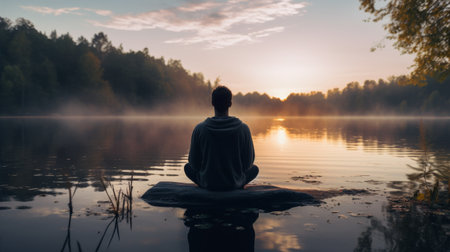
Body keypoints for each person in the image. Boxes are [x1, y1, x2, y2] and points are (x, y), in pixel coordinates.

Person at [184, 86, 259, 191]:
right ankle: (237, 186)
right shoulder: (243, 128)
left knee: (187, 167)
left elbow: (194, 164)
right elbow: (248, 164)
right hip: (234, 184)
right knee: (254, 169)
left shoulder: (200, 129)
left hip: (207, 184)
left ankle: (206, 185)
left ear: (212, 103)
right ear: (230, 104)